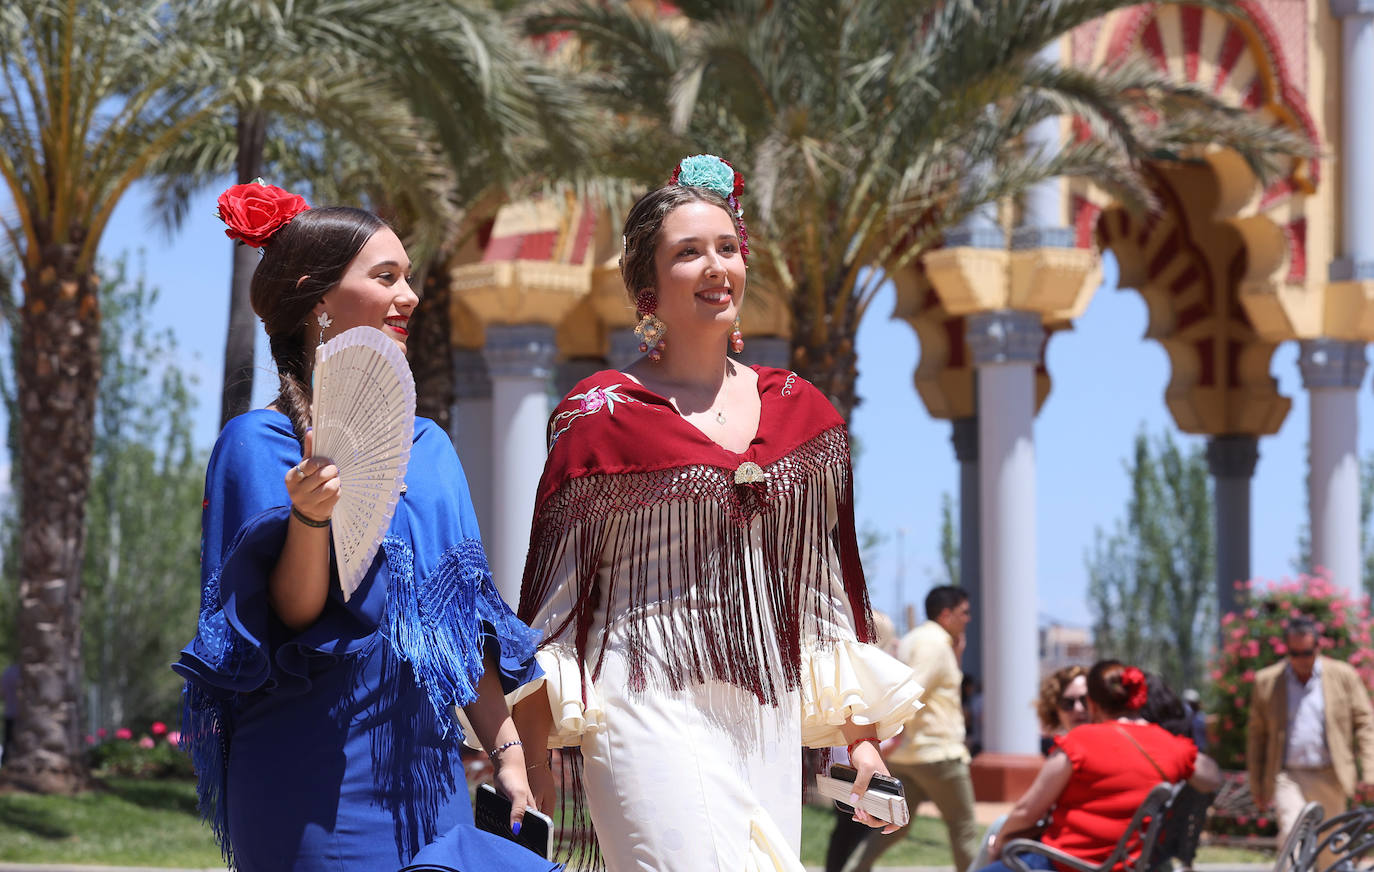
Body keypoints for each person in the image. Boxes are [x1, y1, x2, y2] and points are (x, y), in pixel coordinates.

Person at [510, 154, 925, 872]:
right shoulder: (598, 415)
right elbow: (555, 607)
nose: (716, 266)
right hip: (642, 699)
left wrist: (858, 740)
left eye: (727, 248)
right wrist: (534, 768)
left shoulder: (804, 411)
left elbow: (823, 594)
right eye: (688, 252)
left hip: (765, 708)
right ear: (647, 290)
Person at [174, 183, 558, 872]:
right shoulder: (256, 444)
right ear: (317, 300)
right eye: (387, 278)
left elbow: (460, 629)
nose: (409, 296)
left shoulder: (431, 448)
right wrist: (309, 520)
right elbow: (291, 617)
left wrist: (508, 759)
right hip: (311, 786)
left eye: (408, 277)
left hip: (428, 789)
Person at [976, 659, 1222, 872]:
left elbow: (1026, 811)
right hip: (1130, 864)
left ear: (1093, 703)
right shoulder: (1172, 746)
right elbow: (1212, 777)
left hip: (1066, 863)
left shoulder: (1079, 742)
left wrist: (999, 842)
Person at [846, 586, 980, 872]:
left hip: (910, 756)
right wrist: (896, 734)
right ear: (946, 614)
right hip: (937, 754)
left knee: (895, 824)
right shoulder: (934, 643)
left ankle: (857, 870)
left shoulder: (917, 639)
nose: (968, 619)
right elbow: (911, 692)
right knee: (964, 829)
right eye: (964, 612)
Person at [1246, 615, 1374, 844]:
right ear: (1287, 650)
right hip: (1288, 775)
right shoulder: (1267, 681)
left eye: (1307, 653)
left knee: (1332, 846)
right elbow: (1257, 736)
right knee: (1290, 836)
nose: (1301, 660)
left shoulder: (1343, 675)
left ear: (1317, 646)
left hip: (1330, 774)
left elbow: (1366, 724)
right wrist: (1257, 784)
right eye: (1295, 654)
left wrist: (1370, 771)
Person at [1035, 665, 1089, 755]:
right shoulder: (1059, 756)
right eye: (1068, 703)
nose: (1078, 708)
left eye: (1085, 700)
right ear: (1055, 710)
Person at [1, 663, 17, 767]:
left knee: (8, 743)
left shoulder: (9, 672)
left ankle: (6, 765)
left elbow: (1, 692)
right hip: (21, 717)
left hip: (10, 713)